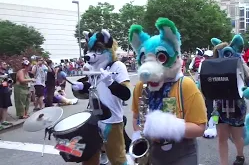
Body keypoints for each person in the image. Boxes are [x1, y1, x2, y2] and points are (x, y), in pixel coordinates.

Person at [129, 18, 207, 164]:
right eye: (144, 58)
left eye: (161, 57)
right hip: (152, 151)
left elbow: (200, 127)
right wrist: (140, 134)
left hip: (182, 152)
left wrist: (169, 127)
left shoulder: (186, 85)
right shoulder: (141, 86)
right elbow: (135, 117)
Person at [71, 29, 131, 165]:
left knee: (117, 158)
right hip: (93, 120)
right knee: (89, 157)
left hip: (112, 121)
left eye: (97, 51)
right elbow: (94, 89)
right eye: (89, 51)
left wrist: (111, 83)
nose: (90, 55)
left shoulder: (117, 66)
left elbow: (126, 94)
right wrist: (82, 87)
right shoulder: (94, 69)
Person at [207, 35, 249, 165]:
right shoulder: (214, 70)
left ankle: (240, 155)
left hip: (237, 108)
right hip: (218, 109)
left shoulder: (242, 69)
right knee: (221, 138)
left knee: (237, 137)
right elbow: (204, 84)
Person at [0, 61, 13, 130]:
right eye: (4, 64)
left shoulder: (7, 72)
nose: (5, 65)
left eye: (6, 64)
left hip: (6, 91)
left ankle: (3, 120)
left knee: (5, 106)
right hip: (0, 91)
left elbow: (10, 80)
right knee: (0, 106)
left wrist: (10, 83)